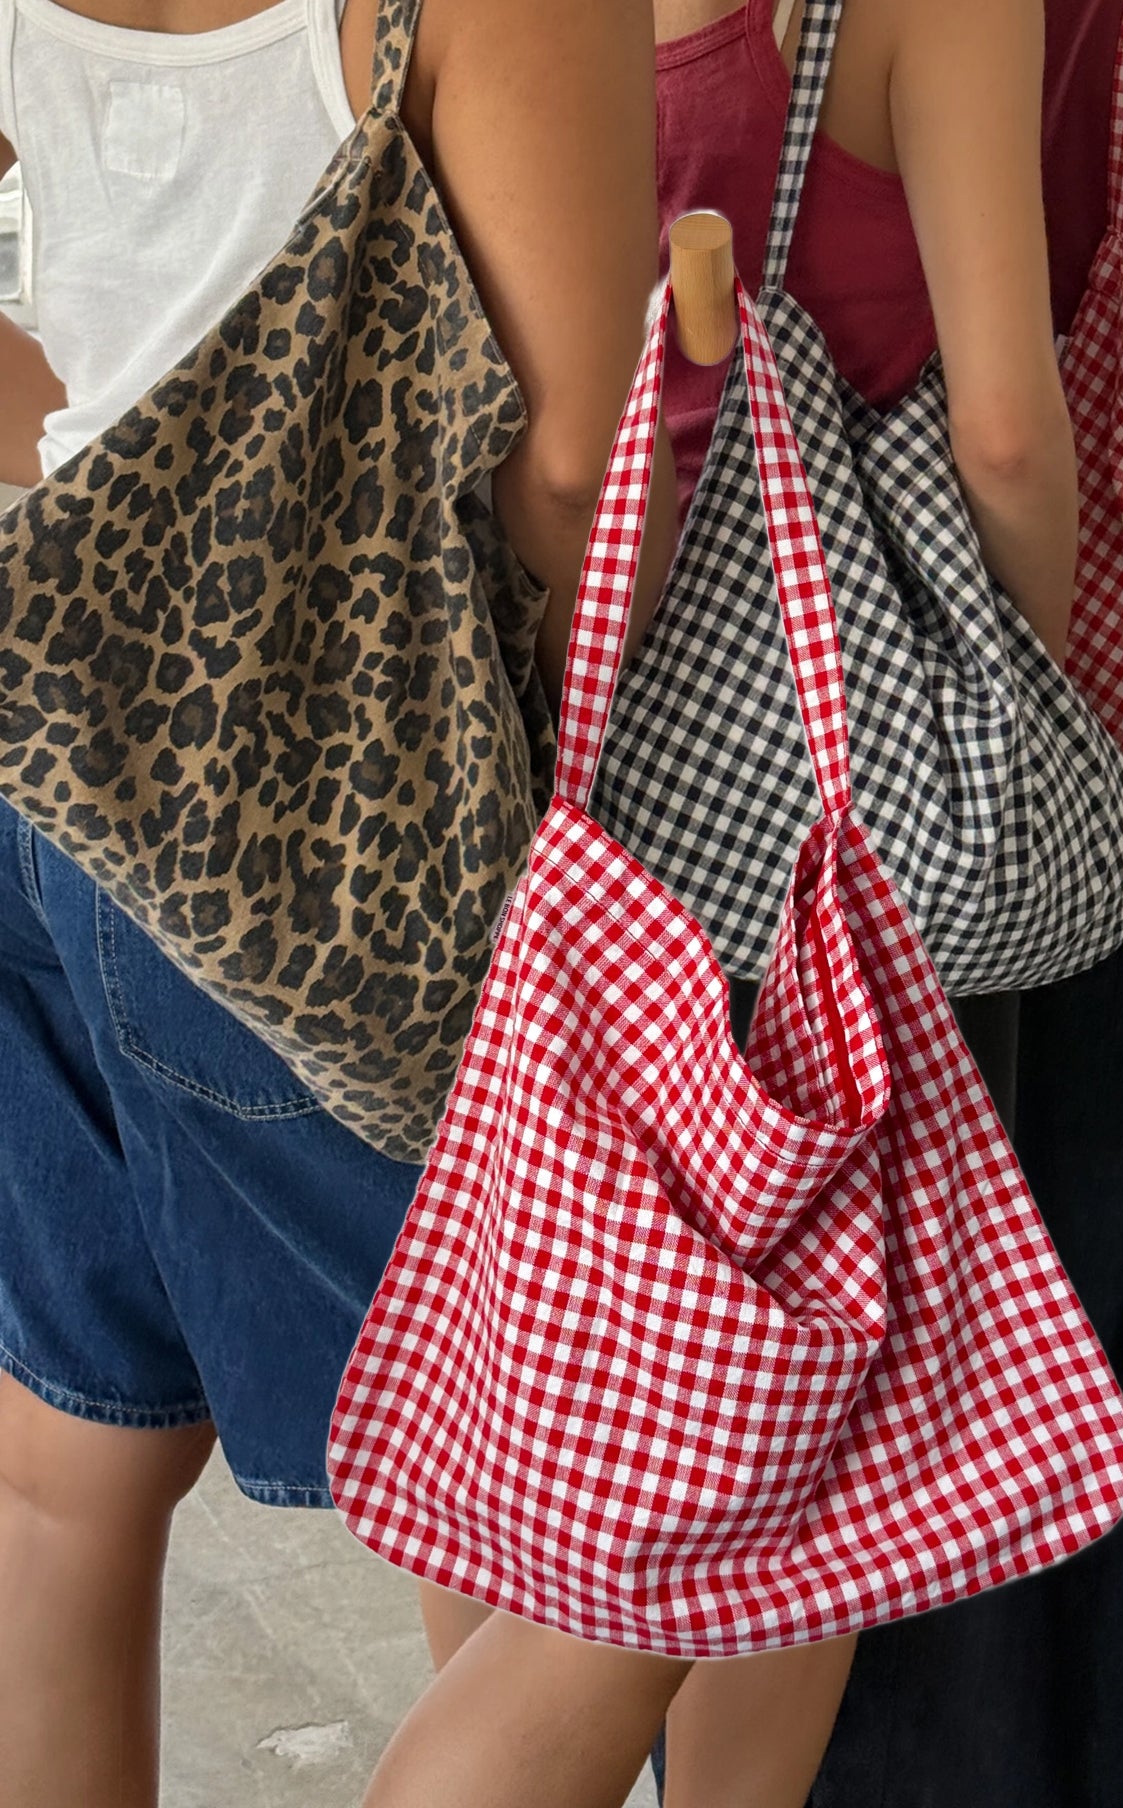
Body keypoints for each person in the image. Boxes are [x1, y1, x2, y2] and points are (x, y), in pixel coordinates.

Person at [638, 2, 1123, 1806]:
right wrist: (1017, 712)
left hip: (732, 828)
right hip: (1090, 828)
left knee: (771, 1439)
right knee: (1077, 1416)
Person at [0, 2, 679, 1805]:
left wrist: (94, 460)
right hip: (341, 854)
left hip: (51, 768)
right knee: (601, 1543)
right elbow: (571, 469)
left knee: (57, 1484)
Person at [415, 0, 1083, 1801]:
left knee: (544, 1368)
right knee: (802, 1467)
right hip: (822, 830)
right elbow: (1008, 434)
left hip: (535, 770)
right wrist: (1024, 687)